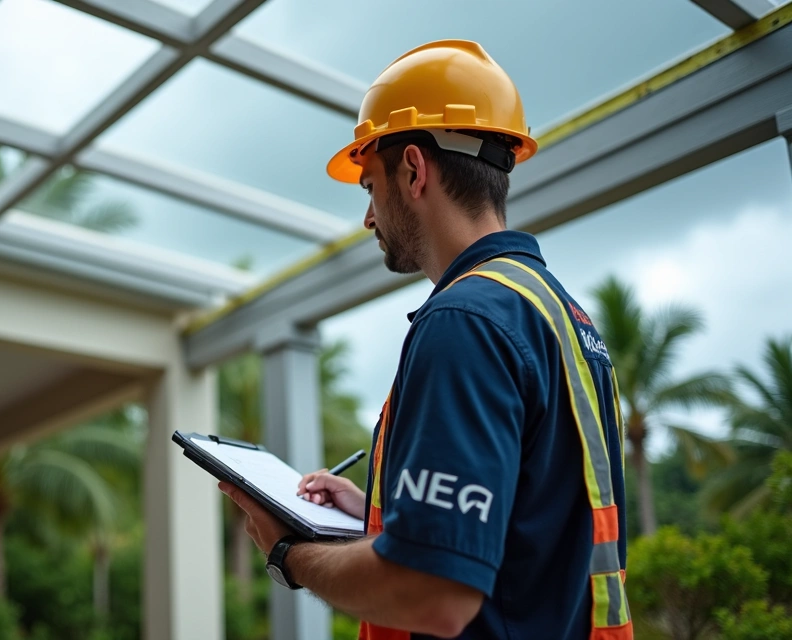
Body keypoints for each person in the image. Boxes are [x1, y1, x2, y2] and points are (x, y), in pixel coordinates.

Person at [220, 40, 632, 640]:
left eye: (368, 184)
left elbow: (433, 594)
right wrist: (379, 514)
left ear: (413, 169)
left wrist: (290, 552)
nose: (367, 217)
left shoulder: (465, 321)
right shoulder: (558, 314)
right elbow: (535, 524)